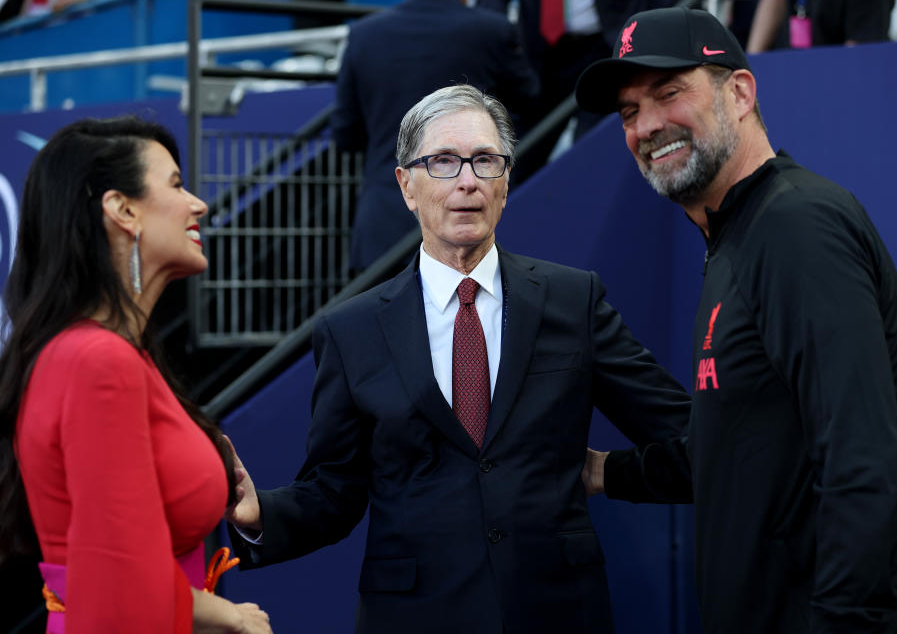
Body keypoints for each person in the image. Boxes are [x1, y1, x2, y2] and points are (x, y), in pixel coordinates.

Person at [226, 83, 692, 633]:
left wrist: (612, 473)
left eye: (485, 161)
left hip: (558, 613)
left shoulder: (573, 301)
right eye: (444, 161)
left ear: (506, 179)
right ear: (406, 186)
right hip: (413, 617)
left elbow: (690, 439)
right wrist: (260, 516)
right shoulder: (350, 329)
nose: (467, 180)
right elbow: (335, 489)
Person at [575, 6, 897, 633]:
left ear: (741, 92)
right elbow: (733, 456)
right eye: (628, 111)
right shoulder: (734, 237)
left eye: (669, 93)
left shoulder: (793, 225)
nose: (647, 125)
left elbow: (861, 458)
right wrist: (598, 471)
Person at [0, 116, 273, 633]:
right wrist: (229, 616)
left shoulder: (103, 353)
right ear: (122, 211)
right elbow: (119, 572)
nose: (198, 203)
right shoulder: (98, 362)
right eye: (175, 184)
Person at [331, 0, 539, 271]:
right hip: (470, 224)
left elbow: (345, 134)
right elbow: (531, 107)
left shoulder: (364, 34)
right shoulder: (491, 30)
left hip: (383, 228)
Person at [474, 0, 681, 183]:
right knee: (515, 156)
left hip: (605, 47)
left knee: (589, 152)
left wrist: (648, 30)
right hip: (540, 55)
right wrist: (495, 31)